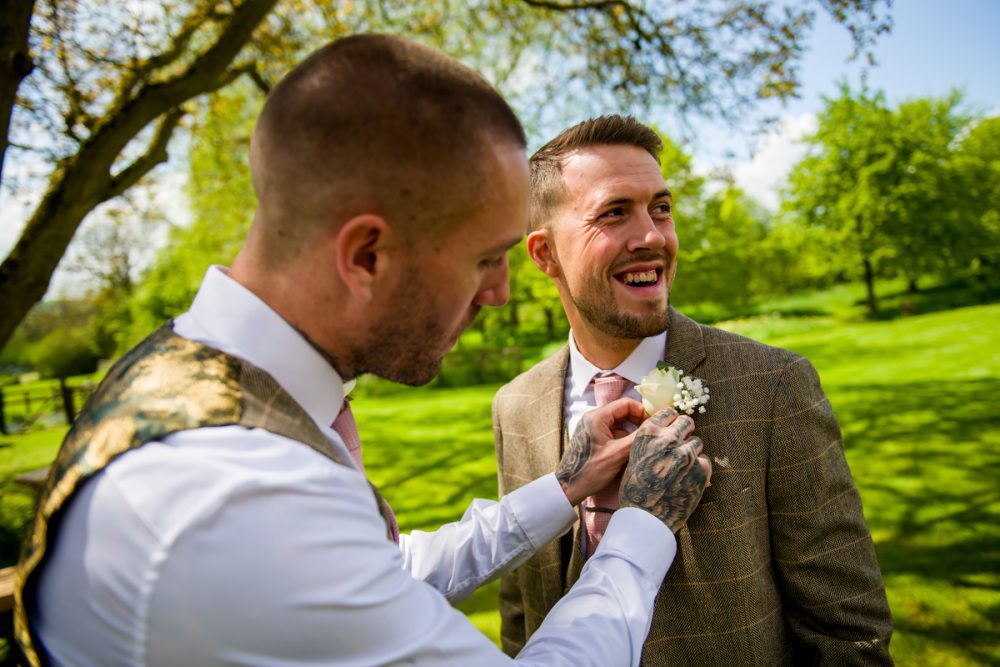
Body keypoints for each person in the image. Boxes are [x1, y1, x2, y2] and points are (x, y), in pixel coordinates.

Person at [13, 37, 713, 667]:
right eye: (485, 260)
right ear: (367, 254)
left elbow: (379, 572)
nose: (501, 294)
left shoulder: (183, 370)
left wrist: (564, 485)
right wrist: (643, 527)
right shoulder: (235, 498)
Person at [493, 115, 894, 665]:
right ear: (544, 254)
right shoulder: (514, 406)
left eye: (660, 208)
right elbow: (520, 612)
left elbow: (848, 631)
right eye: (614, 213)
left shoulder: (774, 387)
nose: (653, 237)